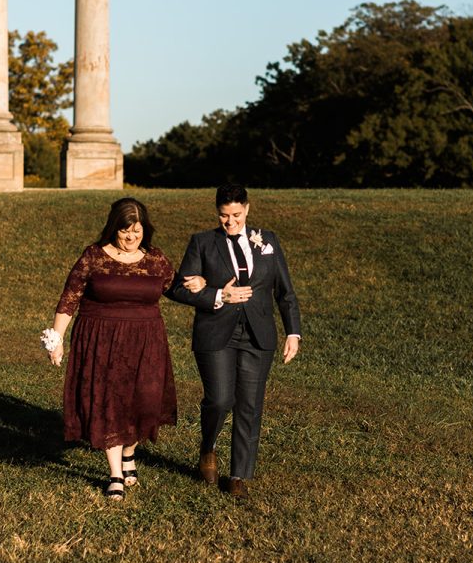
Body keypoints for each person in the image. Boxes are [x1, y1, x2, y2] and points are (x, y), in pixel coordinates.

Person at [169, 183, 301, 500]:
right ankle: (208, 446)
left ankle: (239, 474)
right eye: (224, 215)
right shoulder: (202, 243)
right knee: (220, 399)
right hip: (216, 333)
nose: (230, 222)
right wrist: (217, 294)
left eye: (236, 215)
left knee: (250, 406)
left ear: (247, 209)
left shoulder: (268, 241)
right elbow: (177, 288)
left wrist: (293, 332)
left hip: (259, 335)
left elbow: (285, 291)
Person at [43, 197, 177, 500]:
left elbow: (176, 287)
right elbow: (69, 299)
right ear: (113, 228)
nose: (131, 237)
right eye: (125, 231)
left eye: (137, 231)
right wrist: (57, 339)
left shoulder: (155, 258)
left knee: (144, 400)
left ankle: (129, 452)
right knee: (110, 402)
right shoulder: (94, 256)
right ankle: (115, 473)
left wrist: (211, 292)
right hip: (101, 339)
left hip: (146, 341)